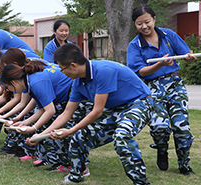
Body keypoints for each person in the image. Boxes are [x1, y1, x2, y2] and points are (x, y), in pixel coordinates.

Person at [35, 43, 154, 184]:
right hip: (116, 109)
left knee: (122, 136)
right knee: (79, 135)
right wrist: (40, 135)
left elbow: (97, 111)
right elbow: (66, 113)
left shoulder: (103, 70)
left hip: (139, 103)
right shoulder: (78, 83)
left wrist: (71, 130)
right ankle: (76, 175)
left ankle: (141, 182)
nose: (62, 73)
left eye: (62, 69)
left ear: (73, 65)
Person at [127, 4, 196, 175]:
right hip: (151, 88)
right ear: (135, 25)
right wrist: (159, 64)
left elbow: (185, 53)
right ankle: (162, 150)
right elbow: (140, 72)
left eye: (147, 22)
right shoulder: (134, 45)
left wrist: (189, 57)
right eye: (139, 23)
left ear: (154, 19)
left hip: (175, 84)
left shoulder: (168, 35)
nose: (144, 26)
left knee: (182, 128)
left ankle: (184, 164)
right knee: (160, 126)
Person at [0, 49, 75, 172]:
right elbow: (41, 110)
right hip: (63, 98)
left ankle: (73, 164)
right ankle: (63, 163)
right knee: (52, 128)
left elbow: (50, 111)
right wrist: (24, 123)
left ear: (13, 81)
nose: (11, 91)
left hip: (73, 94)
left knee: (61, 129)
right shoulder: (28, 82)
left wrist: (34, 129)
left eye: (8, 87)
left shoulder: (36, 82)